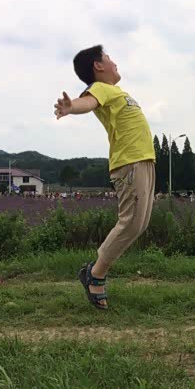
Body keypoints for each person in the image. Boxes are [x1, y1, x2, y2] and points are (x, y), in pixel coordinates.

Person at [54, 45, 156, 310]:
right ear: (98, 66)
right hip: (129, 163)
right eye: (109, 58)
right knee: (131, 222)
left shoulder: (118, 92)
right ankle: (95, 275)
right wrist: (71, 107)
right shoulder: (101, 88)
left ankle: (95, 272)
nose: (114, 62)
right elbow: (87, 102)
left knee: (139, 223)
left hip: (144, 161)